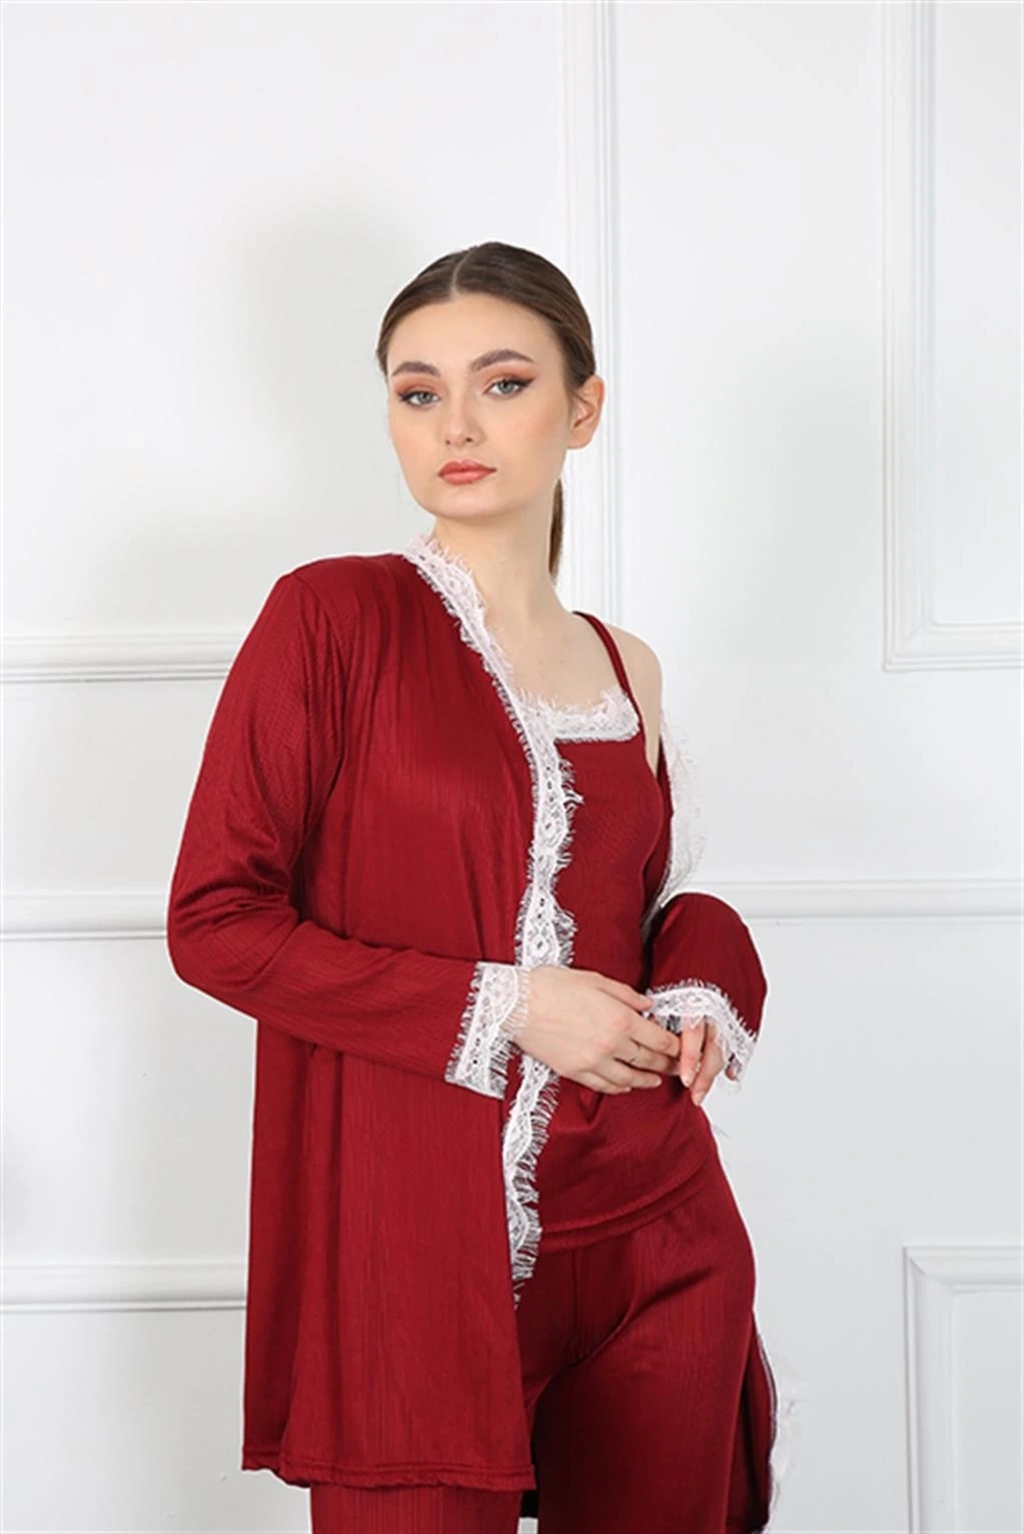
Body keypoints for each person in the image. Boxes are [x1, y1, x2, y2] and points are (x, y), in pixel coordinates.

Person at [167, 241, 783, 1534]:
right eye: (417, 391)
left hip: (659, 1235)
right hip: (414, 1251)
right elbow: (217, 923)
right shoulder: (331, 620)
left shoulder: (628, 665)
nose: (456, 424)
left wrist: (703, 981)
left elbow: (654, 906)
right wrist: (510, 1004)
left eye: (503, 384)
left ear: (583, 408)